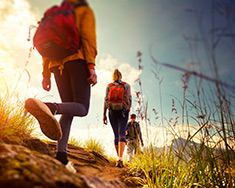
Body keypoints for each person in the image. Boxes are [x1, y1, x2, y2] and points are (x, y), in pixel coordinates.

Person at [25, 0, 97, 173]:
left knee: (69, 109)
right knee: (82, 107)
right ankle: (50, 107)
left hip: (56, 66)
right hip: (77, 61)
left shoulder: (55, 12)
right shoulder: (83, 10)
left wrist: (46, 74)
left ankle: (61, 156)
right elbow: (88, 37)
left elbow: (47, 48)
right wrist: (91, 66)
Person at [103, 69, 132, 168]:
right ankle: (120, 158)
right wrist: (127, 109)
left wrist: (104, 114)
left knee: (116, 134)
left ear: (113, 76)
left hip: (111, 111)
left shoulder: (109, 86)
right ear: (121, 76)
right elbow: (130, 99)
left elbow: (106, 100)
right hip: (123, 111)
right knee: (122, 133)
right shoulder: (126, 85)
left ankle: (118, 158)